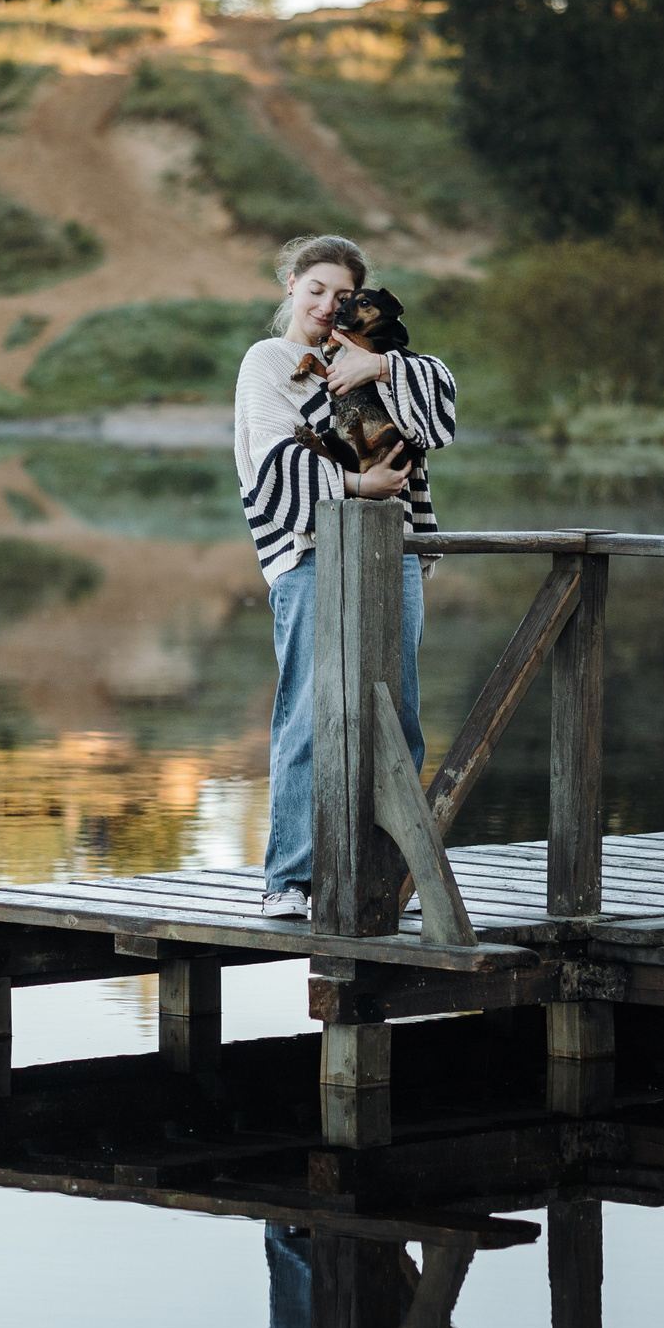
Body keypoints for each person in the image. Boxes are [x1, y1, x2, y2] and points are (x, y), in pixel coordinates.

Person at [235, 234, 458, 919]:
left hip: (394, 556)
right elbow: (271, 463)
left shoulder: (380, 360)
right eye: (316, 290)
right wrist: (361, 483)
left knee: (399, 720)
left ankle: (388, 879)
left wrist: (380, 370)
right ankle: (291, 878)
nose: (328, 304)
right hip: (309, 557)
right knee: (307, 713)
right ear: (292, 288)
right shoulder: (270, 362)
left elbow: (441, 414)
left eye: (342, 294)